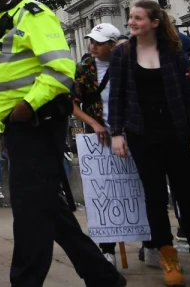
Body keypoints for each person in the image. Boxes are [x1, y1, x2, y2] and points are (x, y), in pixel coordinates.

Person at [0, 0, 125, 287]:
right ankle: (103, 277)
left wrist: (27, 105)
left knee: (30, 212)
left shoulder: (33, 15)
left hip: (36, 124)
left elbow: (60, 69)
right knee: (47, 209)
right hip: (18, 128)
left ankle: (25, 282)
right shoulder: (3, 19)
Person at [108, 0, 190, 287]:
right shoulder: (123, 53)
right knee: (155, 198)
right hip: (142, 134)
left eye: (138, 18)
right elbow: (116, 95)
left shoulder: (173, 52)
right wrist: (117, 132)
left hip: (177, 132)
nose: (132, 22)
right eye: (130, 18)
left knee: (189, 196)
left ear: (154, 22)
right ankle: (169, 260)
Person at [71, 22, 121, 263]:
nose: (92, 46)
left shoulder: (125, 64)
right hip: (99, 135)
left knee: (134, 188)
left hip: (127, 131)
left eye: (98, 43)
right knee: (103, 191)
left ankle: (150, 242)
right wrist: (93, 123)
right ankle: (107, 248)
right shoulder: (84, 69)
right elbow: (72, 104)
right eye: (91, 41)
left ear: (112, 45)